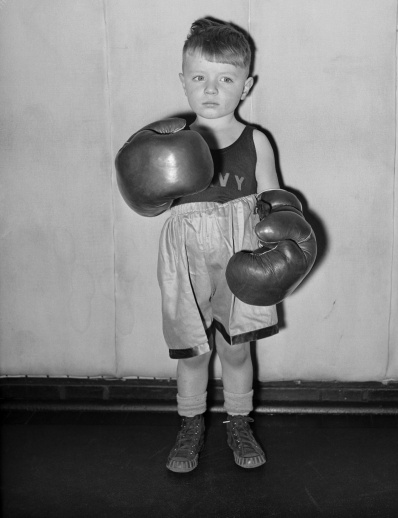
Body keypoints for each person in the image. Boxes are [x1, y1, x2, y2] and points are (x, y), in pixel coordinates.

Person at [158, 18, 281, 473]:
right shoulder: (170, 142)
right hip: (185, 255)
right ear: (183, 81)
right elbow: (150, 198)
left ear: (245, 86)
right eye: (199, 77)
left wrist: (285, 236)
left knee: (235, 348)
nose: (210, 89)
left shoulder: (256, 140)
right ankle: (190, 424)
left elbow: (274, 199)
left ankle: (238, 421)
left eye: (225, 79)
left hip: (240, 254)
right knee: (194, 351)